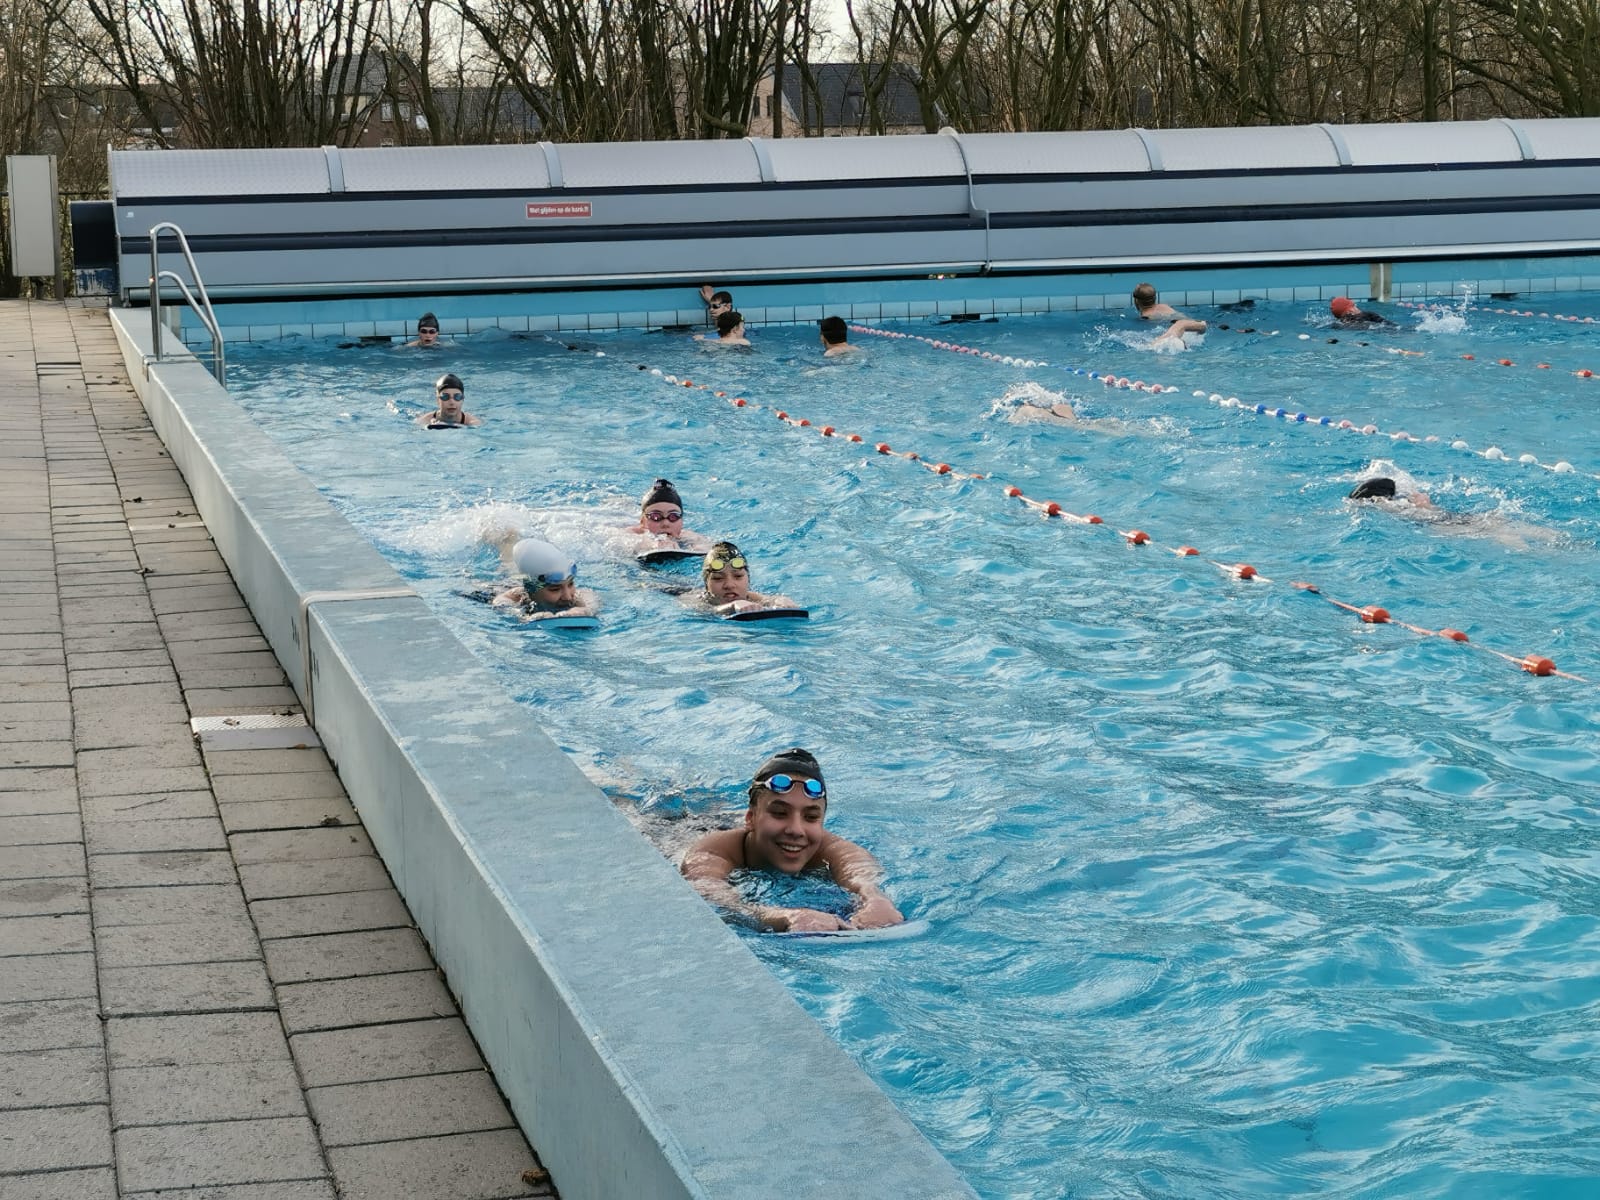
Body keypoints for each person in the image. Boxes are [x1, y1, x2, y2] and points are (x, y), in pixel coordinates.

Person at [680, 748, 903, 932]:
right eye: (779, 813)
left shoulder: (831, 849)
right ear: (750, 818)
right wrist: (780, 916)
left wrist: (876, 900)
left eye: (811, 817)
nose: (796, 830)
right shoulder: (712, 850)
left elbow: (861, 874)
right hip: (683, 825)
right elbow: (714, 898)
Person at [490, 538, 599, 619]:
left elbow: (590, 600)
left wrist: (585, 610)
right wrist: (522, 616)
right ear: (531, 589)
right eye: (555, 589)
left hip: (530, 577)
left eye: (570, 584)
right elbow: (501, 603)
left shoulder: (578, 596)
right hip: (505, 584)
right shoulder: (515, 596)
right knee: (507, 563)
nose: (568, 597)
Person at [697, 541, 797, 614]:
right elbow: (709, 611)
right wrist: (731, 607)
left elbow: (769, 600)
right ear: (706, 584)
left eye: (738, 576)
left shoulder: (751, 597)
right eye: (718, 578)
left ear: (748, 579)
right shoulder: (697, 601)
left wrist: (779, 600)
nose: (729, 585)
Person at [626, 478, 711, 551]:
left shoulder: (690, 537)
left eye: (673, 516)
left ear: (682, 521)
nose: (665, 523)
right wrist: (650, 545)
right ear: (643, 521)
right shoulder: (631, 534)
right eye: (656, 516)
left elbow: (709, 549)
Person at [1132, 281, 1207, 344]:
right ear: (1155, 298)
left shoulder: (1145, 316)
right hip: (1194, 326)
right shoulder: (1164, 306)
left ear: (1136, 301)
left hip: (1177, 329)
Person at [417, 373, 481, 427]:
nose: (452, 402)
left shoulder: (473, 423)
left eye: (457, 397)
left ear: (462, 399)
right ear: (438, 400)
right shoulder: (424, 421)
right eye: (445, 397)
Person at [1330, 297, 1397, 328]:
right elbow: (1392, 325)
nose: (1357, 308)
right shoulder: (1368, 315)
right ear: (1351, 310)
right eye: (1354, 306)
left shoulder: (1338, 324)